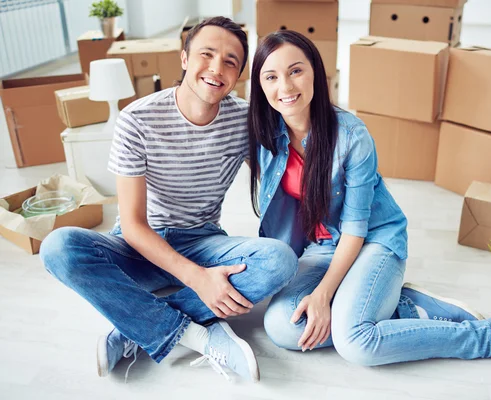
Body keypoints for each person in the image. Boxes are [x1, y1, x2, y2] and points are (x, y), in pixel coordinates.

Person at [247, 30, 491, 381]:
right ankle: (403, 307)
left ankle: (488, 337)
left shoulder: (352, 136)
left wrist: (323, 296)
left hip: (372, 241)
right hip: (321, 248)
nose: (285, 87)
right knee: (280, 326)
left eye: (296, 71)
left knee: (356, 342)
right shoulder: (265, 135)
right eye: (271, 76)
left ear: (316, 73)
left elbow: (355, 227)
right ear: (259, 85)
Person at [39, 17, 299, 383]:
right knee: (58, 247)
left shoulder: (244, 119)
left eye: (230, 61)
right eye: (206, 55)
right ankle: (195, 333)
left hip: (203, 239)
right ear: (184, 58)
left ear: (240, 73)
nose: (216, 68)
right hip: (140, 245)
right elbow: (131, 225)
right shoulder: (137, 119)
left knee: (279, 261)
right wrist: (198, 280)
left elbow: (292, 159)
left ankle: (135, 327)